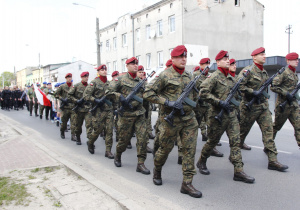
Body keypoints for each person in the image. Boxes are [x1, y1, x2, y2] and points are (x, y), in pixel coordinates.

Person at [144, 45, 202, 198]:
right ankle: (157, 170)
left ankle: (187, 183)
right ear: (173, 58)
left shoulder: (189, 76)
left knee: (189, 151)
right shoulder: (164, 75)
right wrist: (167, 102)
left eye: (185, 56)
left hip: (189, 119)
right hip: (170, 121)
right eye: (180, 57)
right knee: (164, 150)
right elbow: (148, 93)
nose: (184, 59)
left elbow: (194, 97)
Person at [197, 50, 255, 184]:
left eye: (228, 59)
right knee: (212, 141)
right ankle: (201, 161)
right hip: (217, 116)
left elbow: (237, 95)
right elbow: (203, 93)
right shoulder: (213, 77)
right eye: (224, 59)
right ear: (217, 62)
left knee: (235, 142)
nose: (227, 61)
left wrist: (239, 97)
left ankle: (239, 171)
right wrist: (219, 102)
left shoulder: (231, 78)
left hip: (231, 115)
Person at [238, 47, 288, 172]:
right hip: (249, 107)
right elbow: (238, 86)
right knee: (241, 133)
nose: (264, 56)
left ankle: (273, 160)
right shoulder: (247, 71)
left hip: (263, 107)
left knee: (269, 133)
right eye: (261, 54)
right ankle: (234, 155)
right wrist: (252, 92)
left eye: (264, 54)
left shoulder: (264, 72)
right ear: (254, 57)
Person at [107, 57, 150, 175]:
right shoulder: (120, 80)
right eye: (132, 64)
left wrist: (146, 112)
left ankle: (140, 163)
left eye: (136, 64)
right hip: (126, 115)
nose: (135, 66)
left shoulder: (141, 81)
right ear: (127, 66)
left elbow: (146, 96)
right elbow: (108, 92)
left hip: (139, 114)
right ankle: (118, 155)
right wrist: (119, 96)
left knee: (142, 139)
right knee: (124, 141)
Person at [194, 58, 223, 157]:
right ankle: (188, 146)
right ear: (201, 65)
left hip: (209, 106)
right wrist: (197, 98)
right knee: (194, 127)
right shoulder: (195, 75)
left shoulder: (211, 76)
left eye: (208, 64)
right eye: (205, 64)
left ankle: (212, 148)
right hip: (198, 106)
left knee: (211, 126)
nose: (207, 66)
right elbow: (191, 90)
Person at [83, 65, 114, 158]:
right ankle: (90, 142)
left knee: (109, 131)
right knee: (97, 130)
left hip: (109, 110)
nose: (104, 71)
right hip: (98, 111)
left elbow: (113, 97)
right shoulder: (94, 83)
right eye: (102, 70)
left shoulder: (110, 83)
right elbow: (86, 95)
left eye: (105, 69)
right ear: (98, 71)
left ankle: (108, 151)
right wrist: (95, 100)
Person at [271, 52, 300, 148]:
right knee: (276, 127)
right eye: (294, 59)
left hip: (293, 105)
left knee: (299, 126)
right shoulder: (284, 72)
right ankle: (269, 145)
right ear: (288, 61)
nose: (297, 61)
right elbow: (273, 86)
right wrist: (285, 93)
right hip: (283, 105)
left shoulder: (294, 73)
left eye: (297, 59)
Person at [229, 59, 251, 150]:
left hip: (237, 107)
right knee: (217, 132)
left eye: (235, 64)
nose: (234, 66)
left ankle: (239, 144)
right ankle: (212, 144)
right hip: (226, 107)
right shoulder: (225, 77)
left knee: (237, 129)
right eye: (232, 64)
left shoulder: (238, 78)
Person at [68, 72, 93, 146]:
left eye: (87, 77)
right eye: (85, 77)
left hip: (88, 109)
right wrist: (76, 101)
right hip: (79, 109)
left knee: (89, 125)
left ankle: (90, 141)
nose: (86, 78)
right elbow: (69, 96)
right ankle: (78, 137)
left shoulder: (90, 86)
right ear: (81, 77)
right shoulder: (76, 86)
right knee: (78, 125)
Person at [55, 73, 76, 141]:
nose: (70, 78)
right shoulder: (62, 86)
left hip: (72, 107)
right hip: (65, 108)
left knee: (73, 123)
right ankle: (62, 132)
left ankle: (73, 135)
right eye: (68, 77)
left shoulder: (74, 86)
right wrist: (62, 99)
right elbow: (56, 94)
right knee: (64, 122)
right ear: (66, 78)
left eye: (70, 77)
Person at [111, 71, 120, 142]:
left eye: (118, 75)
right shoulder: (110, 85)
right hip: (110, 106)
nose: (117, 77)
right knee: (109, 122)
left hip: (118, 106)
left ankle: (118, 136)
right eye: (116, 76)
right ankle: (105, 133)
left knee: (118, 122)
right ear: (113, 77)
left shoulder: (119, 84)